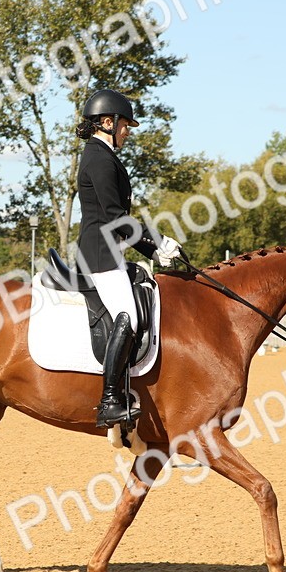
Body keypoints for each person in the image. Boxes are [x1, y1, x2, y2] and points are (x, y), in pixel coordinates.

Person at [75, 88, 182, 427]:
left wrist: (155, 247)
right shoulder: (98, 157)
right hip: (99, 254)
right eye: (125, 126)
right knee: (128, 316)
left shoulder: (102, 155)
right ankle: (109, 401)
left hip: (108, 251)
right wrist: (156, 244)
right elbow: (114, 215)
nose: (127, 132)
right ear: (107, 121)